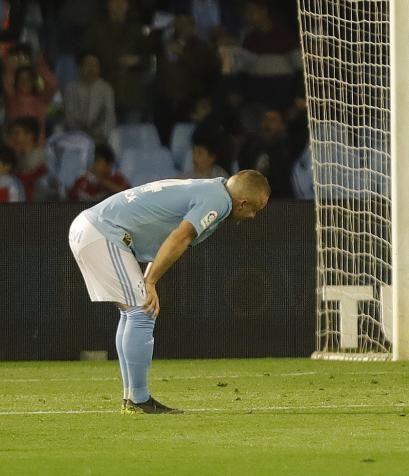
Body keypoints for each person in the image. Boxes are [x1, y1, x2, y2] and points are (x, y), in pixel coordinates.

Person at [67, 171, 270, 414]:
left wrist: (148, 280)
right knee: (142, 311)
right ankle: (138, 400)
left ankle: (132, 398)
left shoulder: (210, 190)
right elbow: (179, 237)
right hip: (102, 232)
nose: (253, 216)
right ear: (243, 202)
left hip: (93, 228)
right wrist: (150, 282)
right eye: (255, 209)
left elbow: (168, 239)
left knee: (136, 311)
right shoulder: (219, 201)